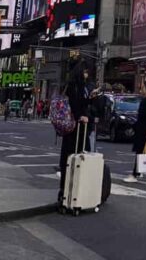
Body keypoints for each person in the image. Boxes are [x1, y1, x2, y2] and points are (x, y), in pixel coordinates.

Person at [57, 61, 90, 205]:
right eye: (85, 72)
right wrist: (81, 116)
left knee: (68, 157)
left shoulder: (69, 85)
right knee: (78, 156)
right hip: (76, 127)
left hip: (69, 127)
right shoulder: (77, 87)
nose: (87, 75)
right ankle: (74, 191)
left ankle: (64, 191)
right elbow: (76, 105)